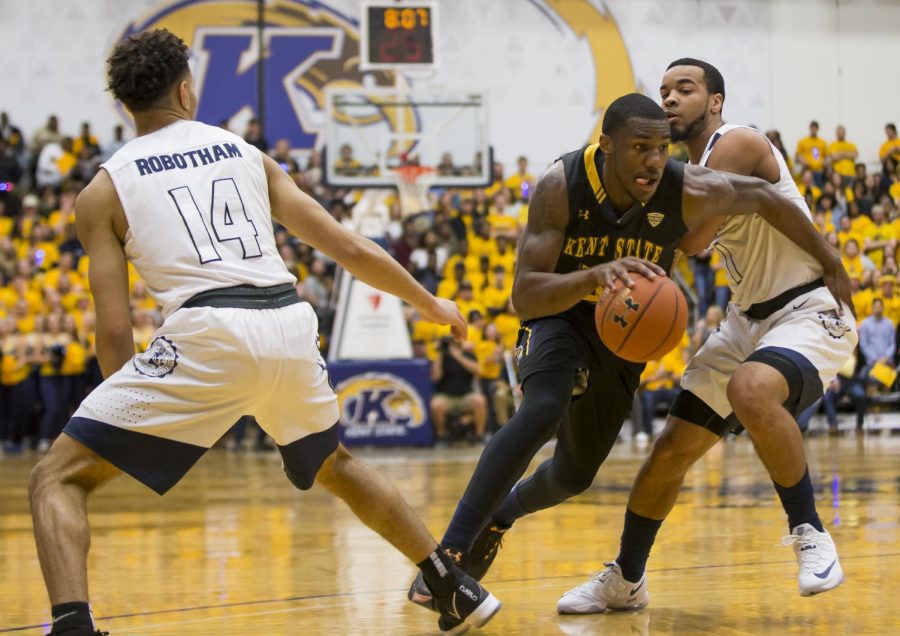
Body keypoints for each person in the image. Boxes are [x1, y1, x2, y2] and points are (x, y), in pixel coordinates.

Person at [27, 29, 500, 636]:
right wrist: (429, 302)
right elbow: (349, 246)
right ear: (185, 89)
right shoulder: (244, 153)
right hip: (287, 320)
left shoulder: (102, 189)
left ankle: (71, 627)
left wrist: (125, 424)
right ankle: (449, 582)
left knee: (56, 478)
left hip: (207, 328)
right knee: (337, 465)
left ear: (124, 104)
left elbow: (114, 325)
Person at [408, 90, 853, 610]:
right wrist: (594, 276)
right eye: (640, 147)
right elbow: (524, 294)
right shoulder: (561, 184)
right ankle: (448, 556)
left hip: (624, 337)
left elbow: (768, 198)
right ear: (606, 146)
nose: (653, 161)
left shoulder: (684, 186)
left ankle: (509, 520)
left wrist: (832, 260)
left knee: (575, 475)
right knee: (545, 407)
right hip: (560, 316)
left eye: (661, 148)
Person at [556, 59, 857, 615]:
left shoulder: (737, 141)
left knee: (751, 389)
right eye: (664, 90)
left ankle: (811, 532)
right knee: (669, 451)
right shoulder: (684, 169)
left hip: (808, 308)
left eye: (684, 90)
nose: (669, 99)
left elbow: (690, 237)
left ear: (715, 101)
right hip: (746, 320)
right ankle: (626, 578)